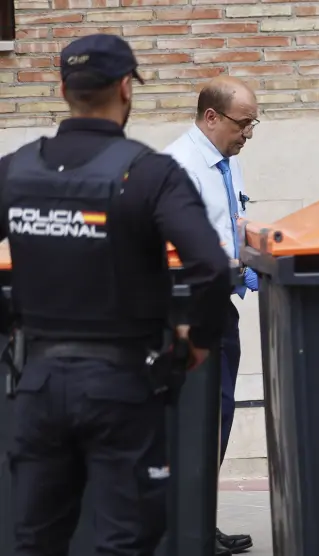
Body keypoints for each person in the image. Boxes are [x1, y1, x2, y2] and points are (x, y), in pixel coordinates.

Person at [1, 34, 231, 556]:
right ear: (126, 88)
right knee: (125, 541)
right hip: (121, 387)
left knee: (35, 541)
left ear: (62, 88)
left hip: (37, 383)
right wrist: (198, 339)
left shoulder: (16, 170)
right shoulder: (149, 173)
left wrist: (10, 323)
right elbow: (212, 267)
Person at [162, 76, 259, 556]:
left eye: (253, 123)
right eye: (243, 123)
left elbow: (229, 220)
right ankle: (183, 523)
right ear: (211, 118)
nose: (248, 133)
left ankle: (196, 518)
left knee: (216, 414)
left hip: (219, 301)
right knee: (200, 417)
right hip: (189, 306)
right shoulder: (180, 166)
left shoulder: (225, 160)